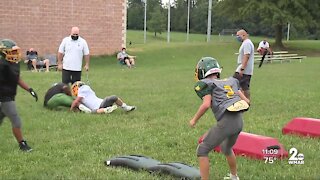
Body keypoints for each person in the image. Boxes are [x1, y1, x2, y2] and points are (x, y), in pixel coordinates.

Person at [189, 57, 250, 180]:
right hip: (239, 121)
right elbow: (247, 101)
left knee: (202, 150)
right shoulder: (231, 81)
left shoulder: (207, 84)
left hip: (226, 121)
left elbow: (206, 104)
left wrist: (194, 120)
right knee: (226, 148)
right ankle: (234, 177)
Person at [0, 39, 38, 152]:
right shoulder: (1, 65)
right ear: (3, 52)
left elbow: (17, 78)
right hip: (4, 98)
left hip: (8, 96)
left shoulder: (14, 63)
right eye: (12, 52)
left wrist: (29, 89)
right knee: (16, 120)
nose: (15, 54)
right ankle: (22, 144)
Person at [70, 81, 136, 114]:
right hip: (102, 102)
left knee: (93, 111)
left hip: (98, 107)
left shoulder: (81, 91)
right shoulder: (87, 88)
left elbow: (76, 102)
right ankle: (125, 107)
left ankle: (105, 110)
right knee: (113, 97)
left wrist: (71, 109)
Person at [234, 29, 254, 100]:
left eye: (238, 35)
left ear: (243, 35)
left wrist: (242, 68)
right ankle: (245, 101)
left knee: (233, 83)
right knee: (244, 86)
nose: (237, 37)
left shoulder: (247, 43)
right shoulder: (246, 43)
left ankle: (244, 100)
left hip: (243, 68)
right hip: (245, 69)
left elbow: (246, 55)